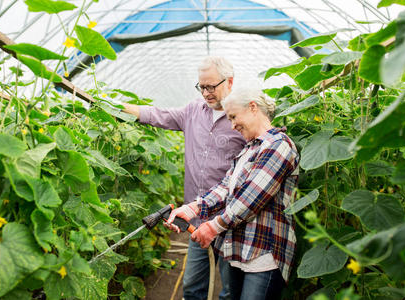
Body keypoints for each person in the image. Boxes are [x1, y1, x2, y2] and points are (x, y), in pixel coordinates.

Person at [121, 57, 246, 300]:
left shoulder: (241, 117)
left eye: (212, 86)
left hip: (230, 220)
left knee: (230, 290)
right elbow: (156, 115)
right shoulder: (192, 111)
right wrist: (111, 106)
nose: (206, 93)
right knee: (191, 287)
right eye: (201, 87)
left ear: (230, 82)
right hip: (197, 217)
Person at [167, 86, 299, 300]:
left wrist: (212, 226)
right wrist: (193, 208)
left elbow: (250, 199)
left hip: (263, 255)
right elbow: (225, 187)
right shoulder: (249, 150)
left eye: (233, 117)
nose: (232, 125)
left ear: (253, 107)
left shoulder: (279, 145)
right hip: (239, 252)